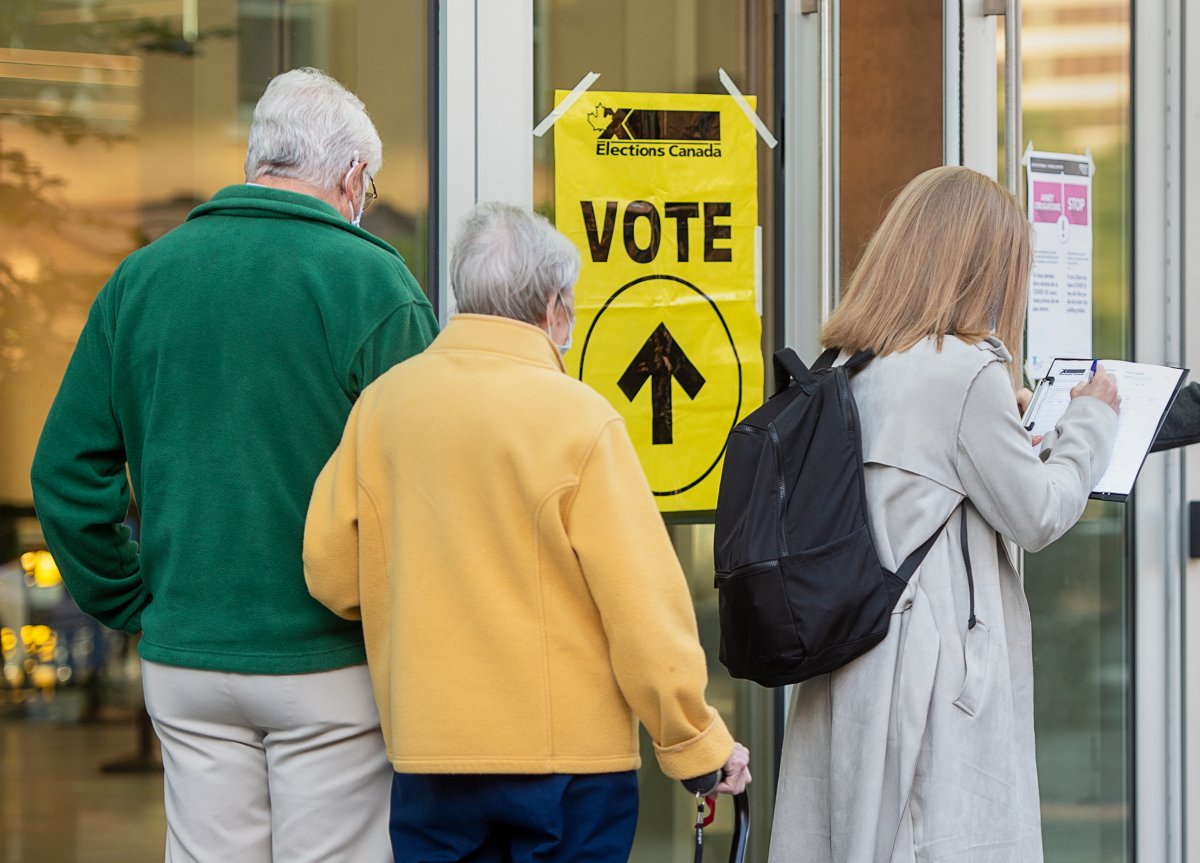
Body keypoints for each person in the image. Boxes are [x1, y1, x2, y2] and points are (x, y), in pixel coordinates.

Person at [31, 67, 437, 862]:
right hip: (330, 659)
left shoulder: (140, 279)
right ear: (352, 177)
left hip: (186, 654)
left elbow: (65, 471)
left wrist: (135, 599)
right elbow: (429, 479)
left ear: (258, 162)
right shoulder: (373, 280)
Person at [304, 201, 751, 862]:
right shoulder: (581, 420)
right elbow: (644, 614)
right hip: (570, 769)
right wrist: (695, 741)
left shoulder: (383, 408)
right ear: (553, 307)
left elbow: (331, 572)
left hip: (431, 757)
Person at [767, 166, 1120, 863]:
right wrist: (1091, 423)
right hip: (931, 676)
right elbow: (1040, 513)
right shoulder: (964, 372)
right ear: (984, 267)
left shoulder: (849, 361)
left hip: (851, 662)